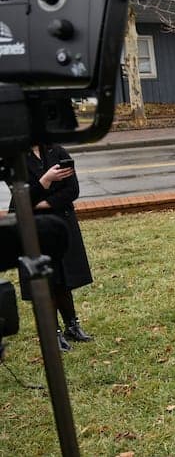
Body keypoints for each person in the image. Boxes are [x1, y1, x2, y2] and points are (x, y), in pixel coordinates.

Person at [7, 144, 95, 351]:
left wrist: (42, 203)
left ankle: (72, 326)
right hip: (36, 229)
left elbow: (72, 190)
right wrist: (45, 181)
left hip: (62, 225)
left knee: (64, 279)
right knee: (46, 282)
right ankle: (52, 333)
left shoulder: (57, 152)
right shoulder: (16, 159)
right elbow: (19, 200)